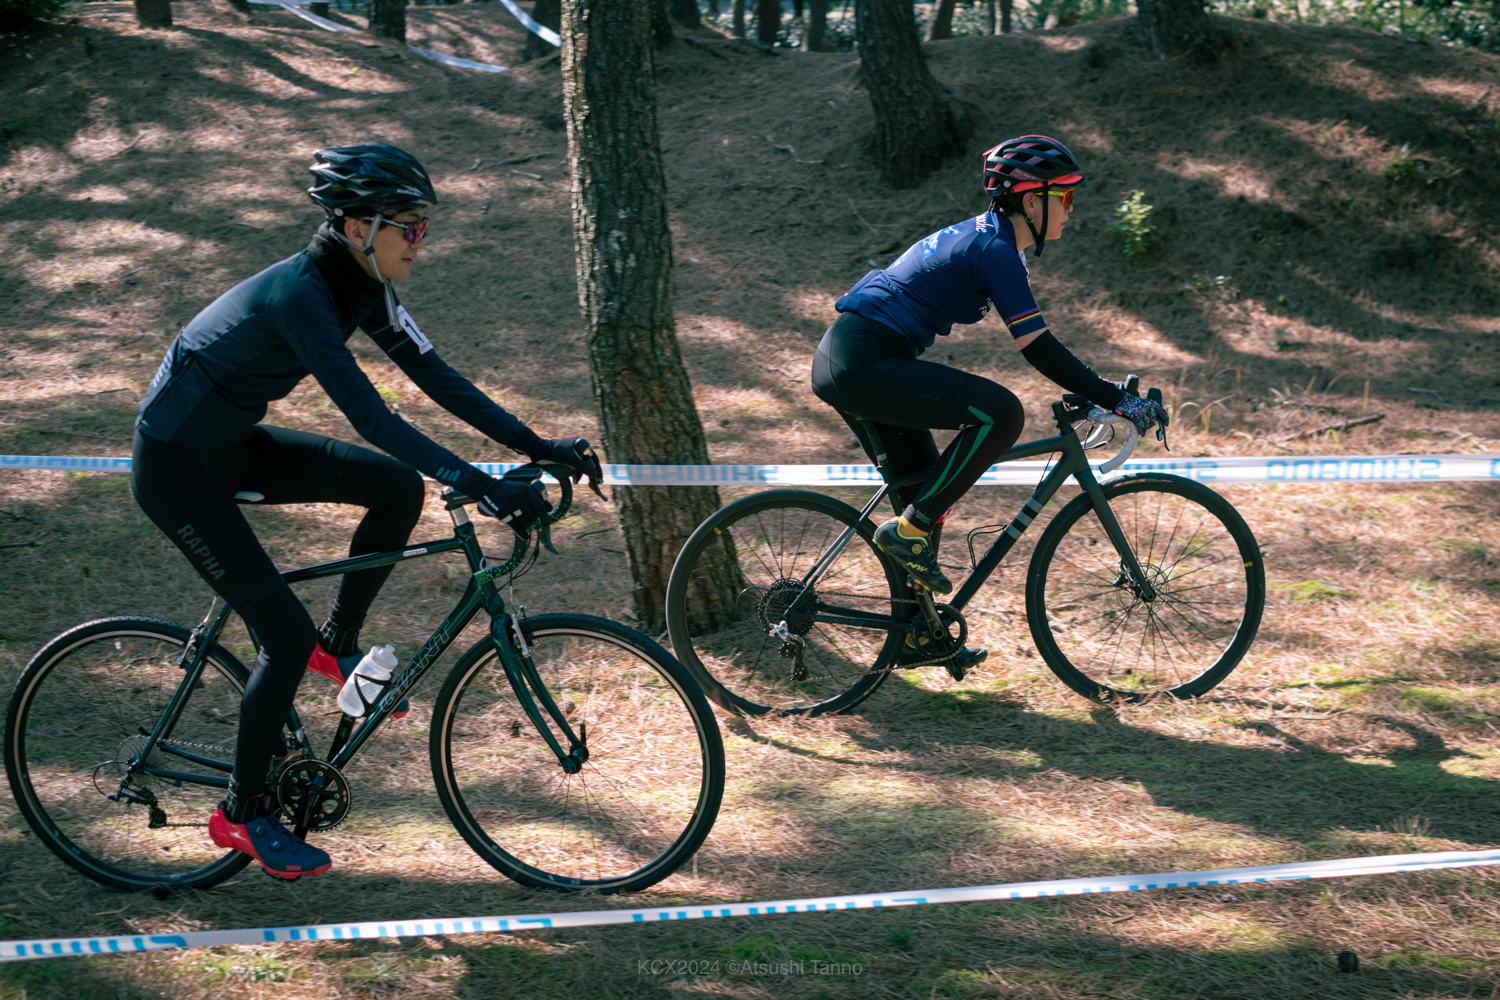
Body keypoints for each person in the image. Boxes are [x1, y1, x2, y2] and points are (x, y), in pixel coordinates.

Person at [131, 143, 602, 880]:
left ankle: (338, 643)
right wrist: (481, 484)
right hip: (178, 470)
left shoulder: (366, 287)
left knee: (396, 489)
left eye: (424, 226)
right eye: (408, 227)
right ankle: (242, 813)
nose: (421, 241)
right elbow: (371, 417)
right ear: (359, 228)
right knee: (281, 637)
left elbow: (438, 378)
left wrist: (538, 446)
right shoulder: (301, 296)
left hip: (233, 447)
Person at [811, 135, 1168, 670]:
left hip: (854, 358)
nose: (1071, 209)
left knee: (923, 495)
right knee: (1002, 414)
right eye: (1064, 197)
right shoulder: (995, 250)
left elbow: (1041, 347)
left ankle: (916, 634)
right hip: (861, 362)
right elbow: (1038, 347)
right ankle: (909, 535)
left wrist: (1104, 393)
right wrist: (1117, 399)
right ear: (1031, 201)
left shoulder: (992, 239)